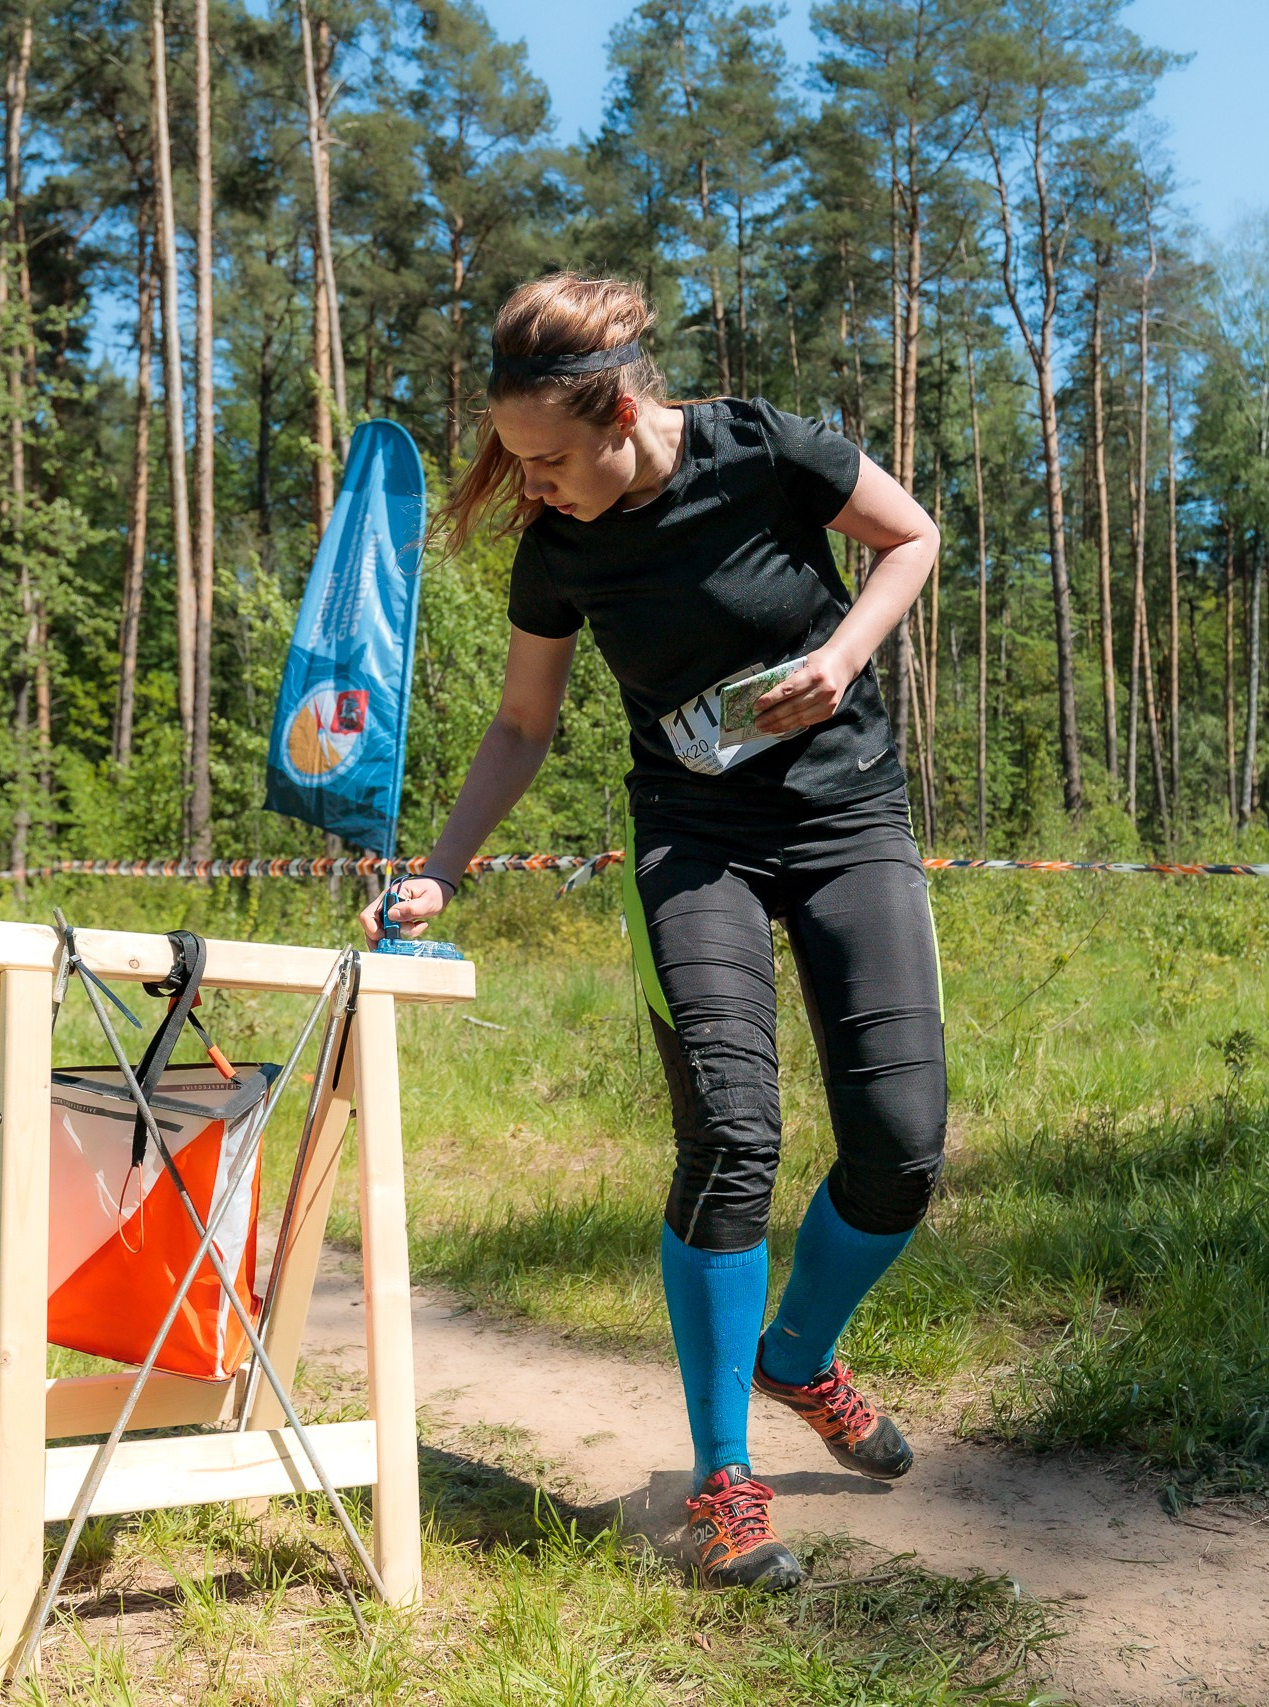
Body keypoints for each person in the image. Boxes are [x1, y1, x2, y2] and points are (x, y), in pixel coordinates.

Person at [358, 273, 947, 1590]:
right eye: (516, 463)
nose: (534, 488)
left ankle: (799, 1356)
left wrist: (844, 658)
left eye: (551, 461)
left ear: (623, 413)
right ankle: (724, 1479)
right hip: (694, 840)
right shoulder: (559, 549)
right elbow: (522, 725)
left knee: (902, 1151)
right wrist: (442, 873)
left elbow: (910, 536)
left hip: (847, 814)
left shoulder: (761, 447)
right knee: (731, 1141)